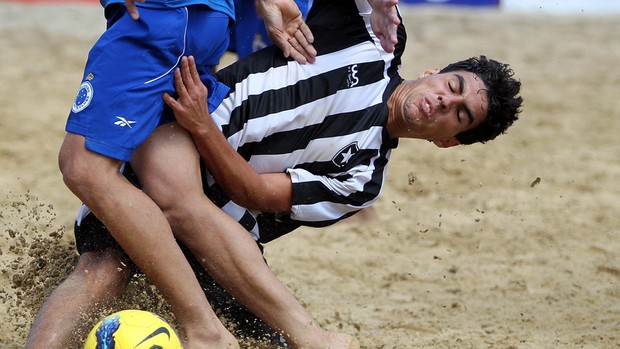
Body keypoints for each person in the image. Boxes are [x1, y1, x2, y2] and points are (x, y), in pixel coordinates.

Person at [26, 0, 521, 348]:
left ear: (447, 141)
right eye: (453, 86)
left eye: (458, 114)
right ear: (434, 71)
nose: (444, 102)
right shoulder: (374, 37)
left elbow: (256, 192)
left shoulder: (363, 180)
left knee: (269, 340)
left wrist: (204, 129)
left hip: (220, 248)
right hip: (173, 138)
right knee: (103, 268)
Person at [44, 0, 319, 347]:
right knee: (179, 196)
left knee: (83, 168)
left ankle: (205, 328)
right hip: (191, 21)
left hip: (163, 15)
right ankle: (311, 335)